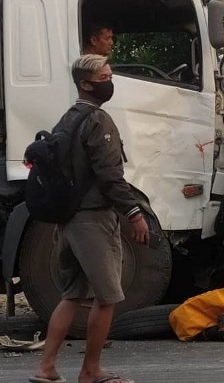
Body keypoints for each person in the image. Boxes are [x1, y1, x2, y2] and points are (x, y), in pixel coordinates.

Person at [31, 54, 147, 383]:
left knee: (71, 296)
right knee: (107, 298)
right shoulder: (98, 120)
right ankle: (91, 371)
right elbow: (110, 176)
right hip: (93, 222)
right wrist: (134, 212)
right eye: (106, 77)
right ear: (86, 83)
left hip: (66, 223)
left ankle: (46, 368)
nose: (111, 82)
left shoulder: (67, 119)